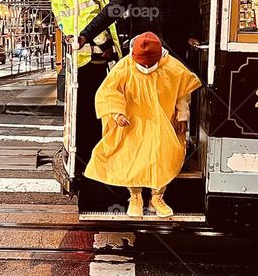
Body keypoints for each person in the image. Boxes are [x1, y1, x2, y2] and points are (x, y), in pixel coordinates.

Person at [85, 33, 201, 218]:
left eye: (150, 64)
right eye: (142, 64)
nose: (146, 68)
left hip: (163, 122)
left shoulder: (173, 67)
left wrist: (182, 117)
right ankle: (135, 196)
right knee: (131, 157)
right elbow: (109, 92)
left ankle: (157, 197)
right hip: (133, 122)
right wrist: (117, 113)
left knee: (163, 155)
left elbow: (182, 95)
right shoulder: (124, 66)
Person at [47, 0, 121, 174]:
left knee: (80, 112)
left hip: (78, 58)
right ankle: (94, 164)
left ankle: (81, 162)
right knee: (96, 111)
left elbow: (66, 25)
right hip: (93, 56)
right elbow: (92, 19)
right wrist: (106, 46)